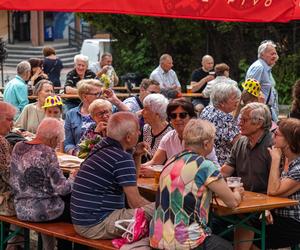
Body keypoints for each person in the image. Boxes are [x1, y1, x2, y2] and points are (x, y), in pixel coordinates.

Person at [149, 119, 243, 250]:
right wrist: (238, 192)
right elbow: (232, 202)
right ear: (206, 144)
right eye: (213, 141)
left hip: (157, 239)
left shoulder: (171, 160)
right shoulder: (205, 166)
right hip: (184, 242)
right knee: (226, 246)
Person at [71, 112, 154, 239]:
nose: (139, 133)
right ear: (128, 137)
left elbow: (132, 180)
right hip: (97, 224)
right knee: (163, 209)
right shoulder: (121, 158)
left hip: (82, 221)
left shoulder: (100, 147)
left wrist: (136, 155)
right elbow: (135, 203)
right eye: (137, 130)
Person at [10, 118, 76, 250]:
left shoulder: (18, 146)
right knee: (79, 211)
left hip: (20, 208)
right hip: (44, 212)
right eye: (57, 141)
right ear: (53, 138)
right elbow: (63, 189)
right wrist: (73, 177)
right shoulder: (48, 152)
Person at [221, 102, 272, 250]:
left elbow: (277, 180)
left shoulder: (272, 144)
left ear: (259, 123)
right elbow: (226, 171)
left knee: (243, 224)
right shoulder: (241, 142)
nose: (239, 123)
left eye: (244, 120)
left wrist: (269, 208)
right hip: (243, 200)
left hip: (265, 203)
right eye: (240, 119)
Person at [252, 118, 300, 249]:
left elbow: (273, 191)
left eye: (277, 134)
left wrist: (275, 160)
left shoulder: (298, 167)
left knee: (250, 233)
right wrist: (268, 209)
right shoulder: (287, 160)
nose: (273, 136)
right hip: (278, 216)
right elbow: (277, 195)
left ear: (289, 140)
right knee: (244, 226)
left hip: (294, 222)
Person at [142, 99, 219, 168]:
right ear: (170, 119)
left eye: (183, 115)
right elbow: (155, 162)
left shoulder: (201, 137)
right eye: (173, 116)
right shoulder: (168, 138)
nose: (178, 119)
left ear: (192, 117)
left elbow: (212, 168)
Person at [200, 83, 241, 165]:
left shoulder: (207, 110)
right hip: (223, 164)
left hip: (204, 160)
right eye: (234, 98)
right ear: (222, 102)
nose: (237, 100)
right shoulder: (225, 118)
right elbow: (239, 144)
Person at [246, 40, 279, 121]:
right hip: (261, 112)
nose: (275, 56)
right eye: (272, 54)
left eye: (275, 53)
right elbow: (249, 92)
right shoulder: (259, 67)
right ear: (262, 54)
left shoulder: (266, 68)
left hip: (267, 110)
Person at [141, 93, 172, 159]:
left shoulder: (170, 133)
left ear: (157, 114)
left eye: (146, 109)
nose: (142, 112)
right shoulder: (145, 129)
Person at [0, 102, 17, 216]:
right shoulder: (1, 142)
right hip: (3, 201)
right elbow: (9, 176)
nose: (12, 124)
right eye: (10, 119)